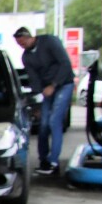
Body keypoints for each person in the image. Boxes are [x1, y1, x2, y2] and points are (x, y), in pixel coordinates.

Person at [14, 26, 74, 175]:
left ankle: (54, 162)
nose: (22, 46)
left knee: (54, 121)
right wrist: (36, 104)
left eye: (23, 42)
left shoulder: (50, 42)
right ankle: (44, 161)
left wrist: (54, 85)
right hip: (47, 89)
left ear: (30, 37)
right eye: (19, 44)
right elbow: (34, 80)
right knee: (43, 124)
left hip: (63, 84)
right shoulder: (26, 57)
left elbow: (65, 64)